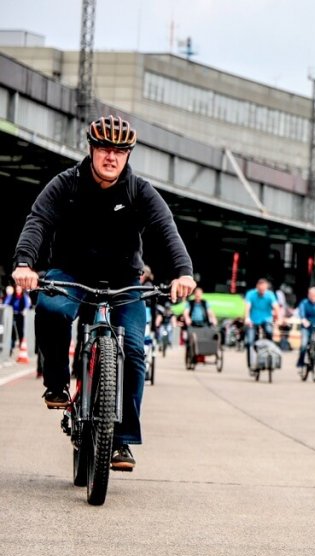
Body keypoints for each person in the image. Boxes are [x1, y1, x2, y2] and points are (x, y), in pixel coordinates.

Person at [11, 115, 195, 471]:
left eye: (120, 151)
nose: (112, 157)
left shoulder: (139, 191)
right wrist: (24, 264)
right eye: (105, 149)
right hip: (71, 272)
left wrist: (183, 273)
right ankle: (57, 384)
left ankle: (122, 441)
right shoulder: (66, 184)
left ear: (128, 156)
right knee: (51, 309)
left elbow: (166, 230)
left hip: (125, 279)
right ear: (92, 150)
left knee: (134, 348)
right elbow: (38, 221)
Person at [244, 278, 281, 366]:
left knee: (269, 331)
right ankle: (251, 363)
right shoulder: (251, 294)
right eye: (260, 290)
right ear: (257, 287)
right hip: (253, 320)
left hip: (266, 319)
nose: (262, 292)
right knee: (250, 341)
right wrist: (247, 318)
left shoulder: (270, 295)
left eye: (264, 290)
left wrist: (277, 319)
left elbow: (276, 307)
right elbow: (247, 307)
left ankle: (269, 351)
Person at [3, 284, 32, 354]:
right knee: (11, 330)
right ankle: (11, 345)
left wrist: (25, 310)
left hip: (20, 315)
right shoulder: (12, 296)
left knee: (20, 330)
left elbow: (28, 304)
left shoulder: (24, 297)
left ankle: (21, 344)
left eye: (19, 289)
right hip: (12, 315)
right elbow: (6, 303)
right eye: (17, 289)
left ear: (21, 290)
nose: (18, 290)